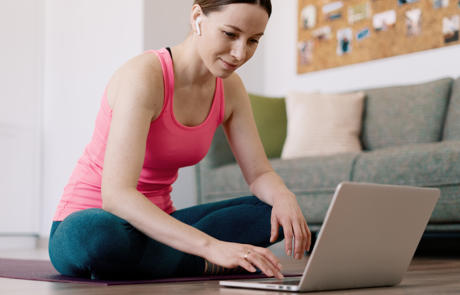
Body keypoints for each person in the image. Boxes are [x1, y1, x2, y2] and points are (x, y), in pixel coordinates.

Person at [49, 0, 311, 280]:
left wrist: (284, 197)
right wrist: (209, 246)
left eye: (253, 40)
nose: (239, 53)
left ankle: (169, 259)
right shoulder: (145, 76)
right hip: (96, 219)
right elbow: (116, 196)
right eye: (231, 34)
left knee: (275, 214)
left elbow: (259, 173)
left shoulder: (231, 88)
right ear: (198, 16)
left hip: (162, 225)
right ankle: (199, 259)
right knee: (98, 236)